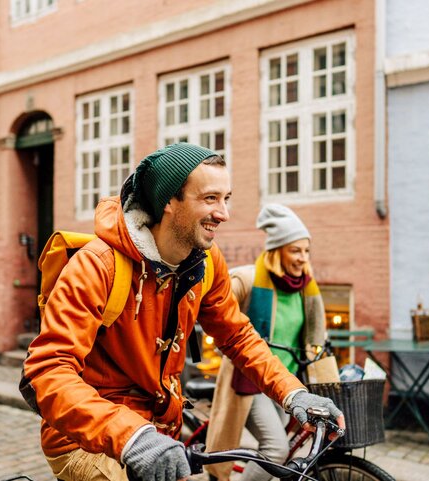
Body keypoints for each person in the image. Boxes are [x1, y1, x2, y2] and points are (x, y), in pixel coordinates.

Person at [20, 143, 344, 481]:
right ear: (168, 202)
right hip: (87, 438)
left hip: (159, 432)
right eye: (209, 199)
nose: (223, 213)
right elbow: (47, 371)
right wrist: (132, 435)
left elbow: (237, 335)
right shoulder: (98, 265)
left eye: (226, 198)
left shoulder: (205, 261)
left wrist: (294, 394)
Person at [204, 204, 327, 481]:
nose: (302, 258)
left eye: (306, 251)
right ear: (277, 250)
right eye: (295, 250)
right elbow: (211, 307)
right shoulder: (247, 279)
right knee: (276, 450)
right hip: (250, 380)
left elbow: (315, 336)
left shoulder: (306, 289)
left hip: (284, 382)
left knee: (276, 446)